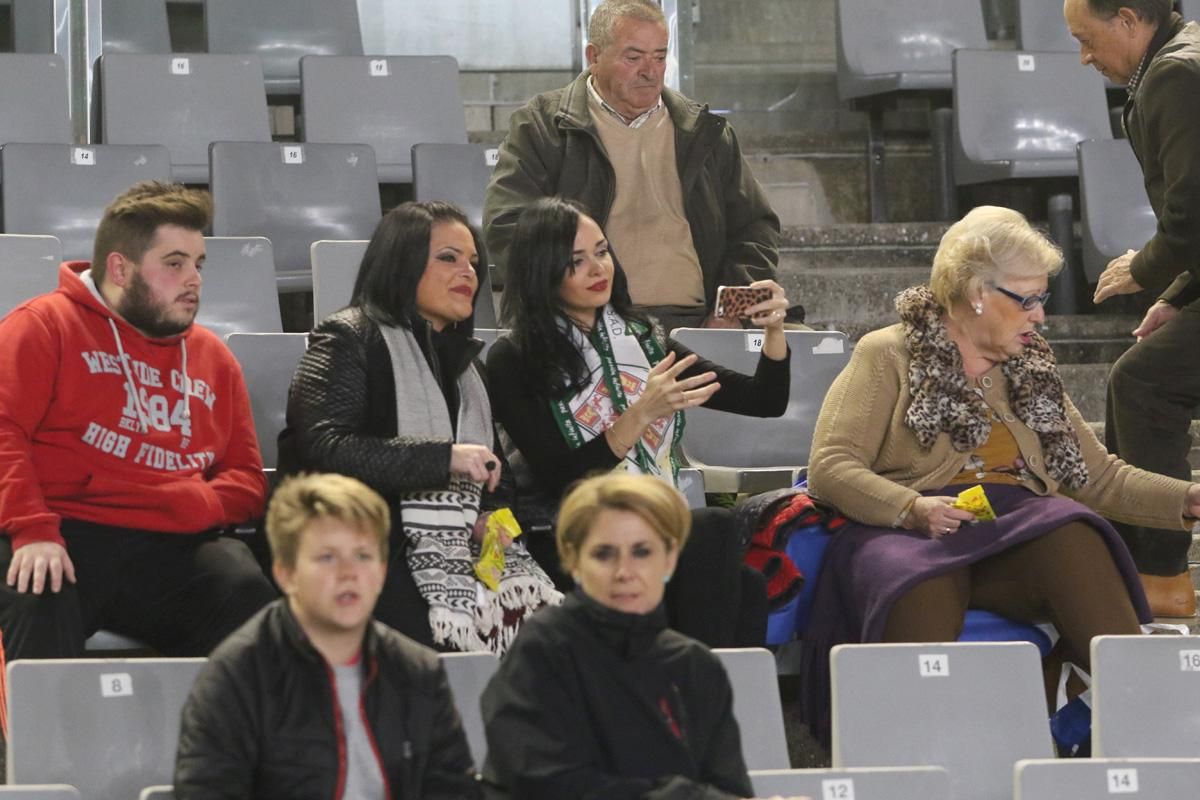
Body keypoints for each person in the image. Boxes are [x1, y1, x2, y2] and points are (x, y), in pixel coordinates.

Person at [798, 206, 1200, 743]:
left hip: (1013, 528)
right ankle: (906, 758)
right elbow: (831, 467)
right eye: (1028, 299)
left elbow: (1099, 478)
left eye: (1042, 299)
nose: (1040, 316)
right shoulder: (887, 353)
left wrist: (1190, 497)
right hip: (906, 526)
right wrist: (913, 508)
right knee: (919, 580)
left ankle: (1147, 732)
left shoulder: (1032, 365)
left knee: (1071, 530)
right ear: (975, 293)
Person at [487, 196, 790, 647]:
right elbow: (561, 476)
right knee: (713, 529)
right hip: (569, 529)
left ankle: (687, 693)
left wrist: (774, 331)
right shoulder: (513, 358)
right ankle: (684, 691)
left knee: (745, 585)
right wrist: (642, 412)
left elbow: (764, 399)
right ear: (542, 271)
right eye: (576, 261)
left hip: (651, 525)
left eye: (603, 252)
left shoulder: (644, 342)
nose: (598, 269)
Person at [0, 180, 276, 659]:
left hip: (170, 542)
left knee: (245, 592)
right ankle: (42, 737)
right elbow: (4, 432)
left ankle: (224, 735)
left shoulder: (213, 357)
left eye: (198, 264)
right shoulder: (42, 326)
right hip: (63, 529)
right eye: (175, 264)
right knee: (37, 588)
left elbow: (247, 478)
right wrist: (32, 530)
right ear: (120, 268)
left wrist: (201, 504)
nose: (195, 279)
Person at [278, 201, 560, 655]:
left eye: (473, 261)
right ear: (401, 263)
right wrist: (443, 458)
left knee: (552, 637)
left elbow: (497, 477)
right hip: (370, 542)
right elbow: (324, 448)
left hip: (456, 544)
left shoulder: (469, 366)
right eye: (448, 258)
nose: (468, 271)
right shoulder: (348, 338)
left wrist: (492, 518)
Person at [175, 472, 481, 800]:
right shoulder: (234, 678)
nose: (348, 574)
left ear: (381, 573)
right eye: (327, 557)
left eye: (363, 556)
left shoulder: (419, 672)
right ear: (286, 573)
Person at [483, 0, 780, 332]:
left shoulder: (705, 132)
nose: (650, 71)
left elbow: (755, 230)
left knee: (801, 349)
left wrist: (731, 312)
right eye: (633, 58)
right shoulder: (542, 126)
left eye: (659, 57)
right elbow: (508, 226)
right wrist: (571, 308)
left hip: (698, 323)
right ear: (594, 57)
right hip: (584, 324)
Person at [480, 473, 766, 800]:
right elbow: (548, 785)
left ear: (669, 559)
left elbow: (729, 789)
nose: (624, 571)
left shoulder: (697, 666)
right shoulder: (542, 651)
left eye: (642, 552)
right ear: (573, 562)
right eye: (603, 554)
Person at [1065, 0, 1200, 616]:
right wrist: (1175, 299)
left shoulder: (1175, 75)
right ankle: (1128, 562)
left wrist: (1142, 272)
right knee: (1141, 376)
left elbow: (1192, 218)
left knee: (1144, 384)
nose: (1085, 57)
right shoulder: (1183, 57)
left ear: (1126, 20)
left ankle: (1160, 574)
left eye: (1087, 39)